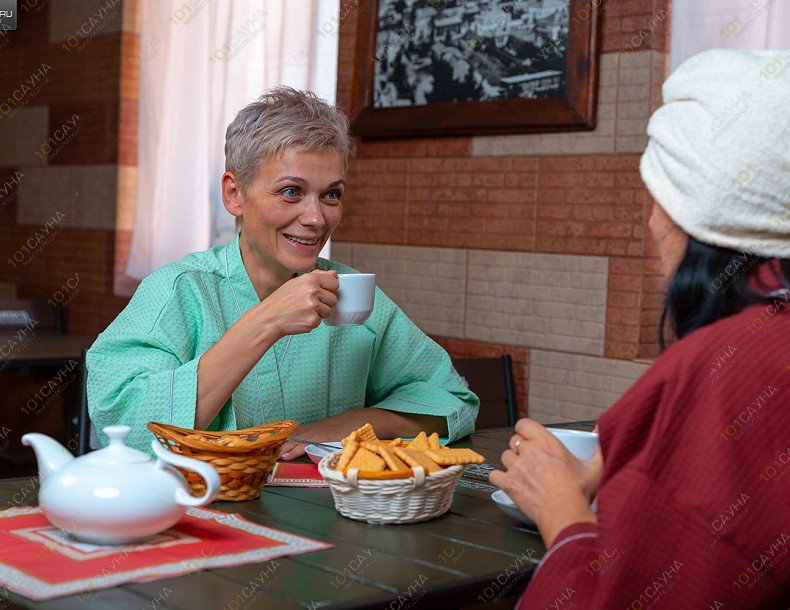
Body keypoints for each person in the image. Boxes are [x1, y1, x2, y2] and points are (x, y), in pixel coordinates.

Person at [490, 50, 790, 608]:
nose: (651, 223)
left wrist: (561, 510)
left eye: (656, 199)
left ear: (696, 213)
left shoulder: (735, 366)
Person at [87, 87, 478, 457]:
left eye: (331, 195)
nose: (315, 218)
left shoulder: (352, 296)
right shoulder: (177, 292)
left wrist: (345, 425)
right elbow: (125, 431)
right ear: (234, 194)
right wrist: (266, 322)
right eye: (291, 191)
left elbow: (452, 400)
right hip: (193, 515)